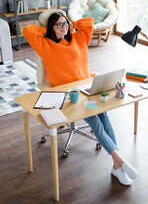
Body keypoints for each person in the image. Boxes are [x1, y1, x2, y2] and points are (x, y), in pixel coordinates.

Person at [23, 12, 139, 185]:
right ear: (51, 28)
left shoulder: (78, 38)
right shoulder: (45, 45)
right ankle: (119, 162)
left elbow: (88, 23)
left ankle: (117, 164)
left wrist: (71, 23)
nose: (64, 27)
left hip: (88, 88)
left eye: (66, 24)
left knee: (103, 115)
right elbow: (27, 30)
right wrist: (47, 29)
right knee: (94, 119)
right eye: (59, 25)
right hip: (70, 95)